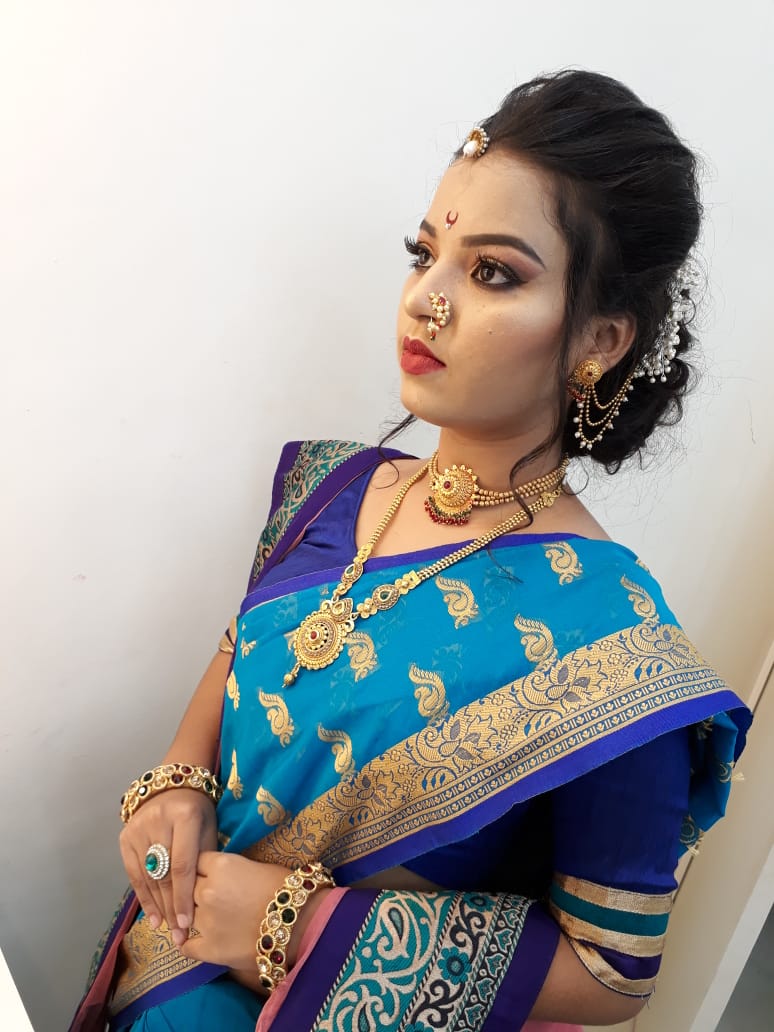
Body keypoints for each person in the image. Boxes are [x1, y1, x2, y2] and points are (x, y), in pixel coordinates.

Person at [71, 69, 751, 1032]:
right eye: (424, 253)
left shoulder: (616, 645)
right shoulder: (338, 487)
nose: (425, 300)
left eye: (493, 272)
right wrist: (177, 781)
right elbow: (246, 649)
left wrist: (294, 922)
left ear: (599, 338)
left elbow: (613, 973)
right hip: (157, 973)